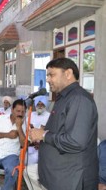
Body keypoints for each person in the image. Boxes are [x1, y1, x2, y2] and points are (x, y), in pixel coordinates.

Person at [29, 57, 98, 190]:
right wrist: (45, 132)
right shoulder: (64, 97)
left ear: (68, 74)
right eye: (47, 75)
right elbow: (63, 130)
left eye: (52, 75)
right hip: (60, 176)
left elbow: (76, 141)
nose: (48, 79)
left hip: (72, 179)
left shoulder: (79, 99)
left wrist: (44, 135)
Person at [23, 96, 50, 190]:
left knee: (39, 173)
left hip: (43, 148)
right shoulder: (30, 115)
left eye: (42, 104)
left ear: (46, 105)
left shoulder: (49, 116)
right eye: (38, 104)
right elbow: (26, 130)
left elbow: (49, 134)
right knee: (26, 169)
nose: (40, 106)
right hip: (30, 147)